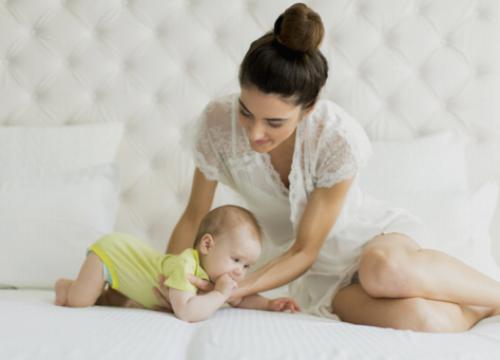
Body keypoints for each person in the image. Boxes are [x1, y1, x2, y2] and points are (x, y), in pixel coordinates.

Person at [101, 3, 500, 332]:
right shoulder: (217, 126)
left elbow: (305, 248)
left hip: (366, 243)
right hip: (322, 278)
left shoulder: (335, 139)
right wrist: (172, 278)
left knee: (383, 271)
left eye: (274, 122)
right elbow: (193, 216)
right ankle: (480, 311)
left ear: (307, 109)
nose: (255, 133)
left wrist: (229, 291)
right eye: (246, 111)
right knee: (423, 320)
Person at [54, 205, 301, 322]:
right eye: (236, 259)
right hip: (111, 254)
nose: (239, 271)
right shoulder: (185, 266)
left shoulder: (216, 277)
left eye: (247, 266)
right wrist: (219, 294)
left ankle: (106, 292)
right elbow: (186, 312)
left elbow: (238, 297)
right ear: (207, 245)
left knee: (112, 301)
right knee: (79, 301)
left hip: (127, 272)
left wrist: (270, 304)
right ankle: (65, 286)